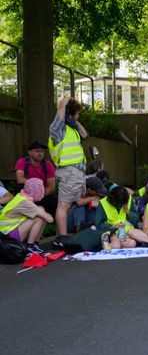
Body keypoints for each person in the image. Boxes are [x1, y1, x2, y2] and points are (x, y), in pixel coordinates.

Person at [49, 97, 89, 247]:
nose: (78, 116)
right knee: (64, 205)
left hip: (73, 172)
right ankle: (63, 238)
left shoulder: (71, 128)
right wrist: (63, 105)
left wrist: (73, 119)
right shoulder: (59, 129)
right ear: (69, 114)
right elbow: (58, 119)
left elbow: (85, 134)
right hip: (69, 171)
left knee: (65, 205)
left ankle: (60, 237)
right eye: (77, 114)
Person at [0, 178, 52, 254]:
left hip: (7, 233)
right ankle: (30, 247)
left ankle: (34, 245)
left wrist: (40, 210)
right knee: (40, 218)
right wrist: (41, 211)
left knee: (40, 212)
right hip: (7, 237)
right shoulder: (25, 202)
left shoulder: (21, 196)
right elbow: (50, 219)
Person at [13, 141, 57, 214]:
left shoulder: (48, 164)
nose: (40, 154)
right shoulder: (22, 162)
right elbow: (20, 179)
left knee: (54, 203)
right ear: (30, 152)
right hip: (26, 193)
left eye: (42, 151)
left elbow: (51, 186)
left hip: (43, 194)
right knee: (18, 190)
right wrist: (34, 190)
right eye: (37, 151)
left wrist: (40, 194)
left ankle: (44, 216)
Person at [95, 184, 139, 249]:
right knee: (116, 246)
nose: (119, 206)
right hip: (111, 232)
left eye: (121, 204)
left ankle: (115, 245)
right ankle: (103, 245)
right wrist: (113, 226)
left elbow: (136, 220)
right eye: (117, 204)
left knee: (131, 244)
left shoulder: (128, 199)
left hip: (125, 232)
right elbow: (98, 225)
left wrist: (128, 213)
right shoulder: (103, 203)